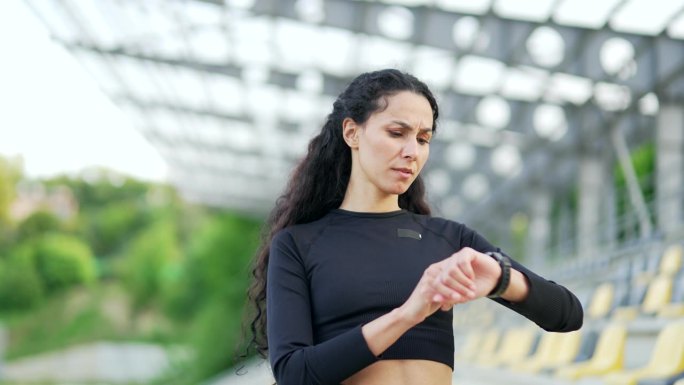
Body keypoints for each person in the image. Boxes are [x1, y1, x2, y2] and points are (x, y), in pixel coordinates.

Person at [245, 69, 583, 385]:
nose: (412, 152)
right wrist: (408, 313)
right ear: (352, 133)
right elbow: (293, 373)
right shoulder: (299, 243)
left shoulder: (450, 238)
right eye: (397, 133)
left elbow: (567, 314)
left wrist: (501, 278)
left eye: (423, 139)